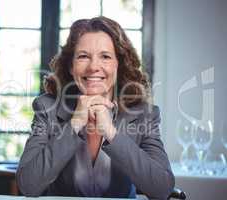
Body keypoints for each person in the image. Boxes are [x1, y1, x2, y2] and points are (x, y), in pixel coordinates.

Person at [16, 16, 175, 199]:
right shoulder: (47, 108)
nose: (93, 67)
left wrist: (111, 133)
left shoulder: (144, 115)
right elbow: (28, 185)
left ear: (119, 65)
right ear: (70, 66)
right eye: (83, 56)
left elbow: (163, 189)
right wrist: (74, 124)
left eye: (105, 57)